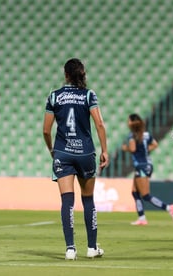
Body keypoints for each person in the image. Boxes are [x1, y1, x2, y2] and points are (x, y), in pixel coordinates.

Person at [43, 58, 109, 260]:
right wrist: (105, 150)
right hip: (85, 153)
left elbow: (46, 130)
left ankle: (70, 249)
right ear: (83, 74)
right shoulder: (89, 95)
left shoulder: (54, 96)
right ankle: (91, 248)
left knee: (67, 201)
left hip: (63, 152)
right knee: (88, 199)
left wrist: (52, 150)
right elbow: (99, 125)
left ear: (66, 75)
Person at [122, 113, 173, 225]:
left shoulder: (132, 136)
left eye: (128, 121)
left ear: (132, 123)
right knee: (134, 192)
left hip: (141, 166)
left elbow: (132, 149)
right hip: (147, 164)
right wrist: (144, 149)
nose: (127, 123)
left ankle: (168, 208)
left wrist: (125, 148)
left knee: (146, 195)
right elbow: (155, 144)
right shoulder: (146, 134)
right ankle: (142, 218)